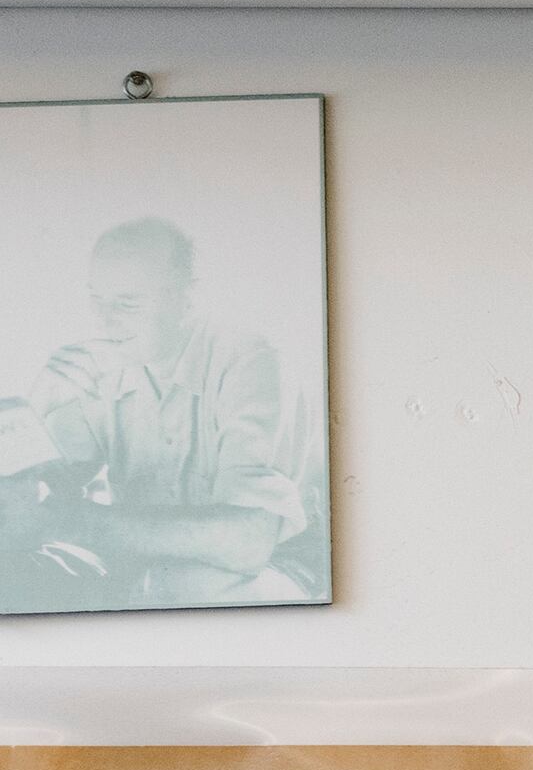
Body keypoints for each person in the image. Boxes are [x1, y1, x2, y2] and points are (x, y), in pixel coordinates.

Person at [10, 216, 328, 606]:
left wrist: (67, 522)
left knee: (189, 587)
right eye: (96, 299)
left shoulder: (251, 361)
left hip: (276, 566)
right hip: (146, 570)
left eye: (127, 303)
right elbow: (34, 496)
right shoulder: (103, 364)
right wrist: (39, 403)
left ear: (188, 296)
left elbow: (249, 541)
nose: (103, 321)